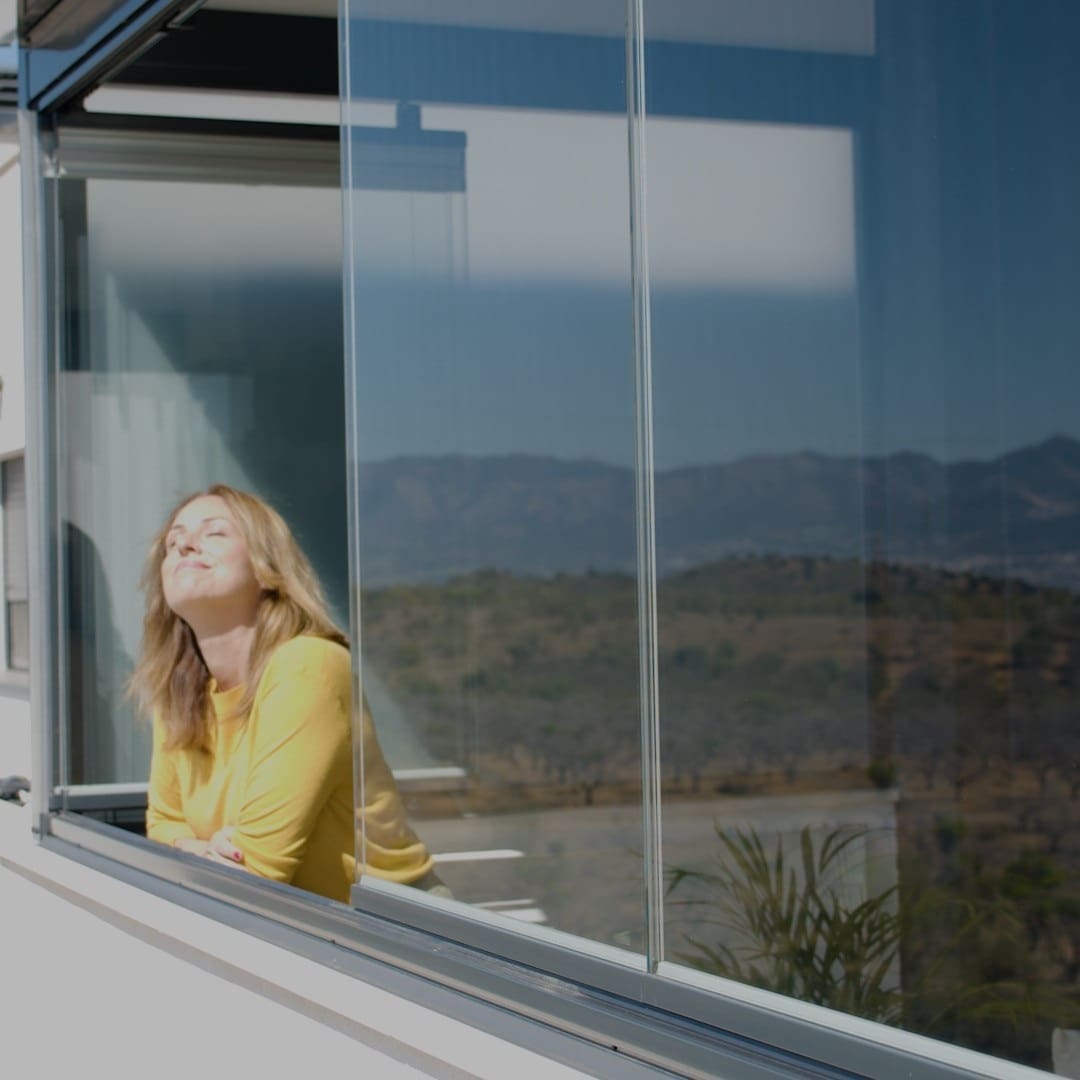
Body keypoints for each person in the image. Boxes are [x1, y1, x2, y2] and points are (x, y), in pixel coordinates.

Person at [130, 483, 435, 903]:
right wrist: (199, 848)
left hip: (393, 934)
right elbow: (163, 823)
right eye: (173, 541)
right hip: (290, 925)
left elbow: (256, 871)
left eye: (214, 533)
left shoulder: (307, 665)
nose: (185, 547)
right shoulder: (180, 688)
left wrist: (208, 850)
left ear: (266, 567)